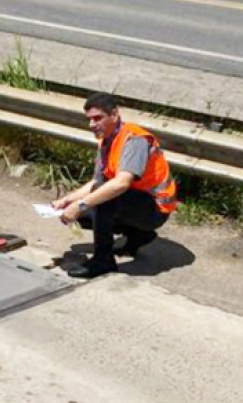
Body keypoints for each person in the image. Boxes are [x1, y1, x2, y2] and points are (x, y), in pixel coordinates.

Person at [52, 92, 177, 279]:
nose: (92, 125)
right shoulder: (107, 140)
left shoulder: (134, 140)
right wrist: (67, 201)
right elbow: (97, 183)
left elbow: (121, 184)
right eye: (89, 119)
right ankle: (139, 235)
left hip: (156, 209)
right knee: (83, 213)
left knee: (103, 202)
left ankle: (103, 261)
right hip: (134, 202)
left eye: (98, 118)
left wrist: (81, 205)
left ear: (114, 115)